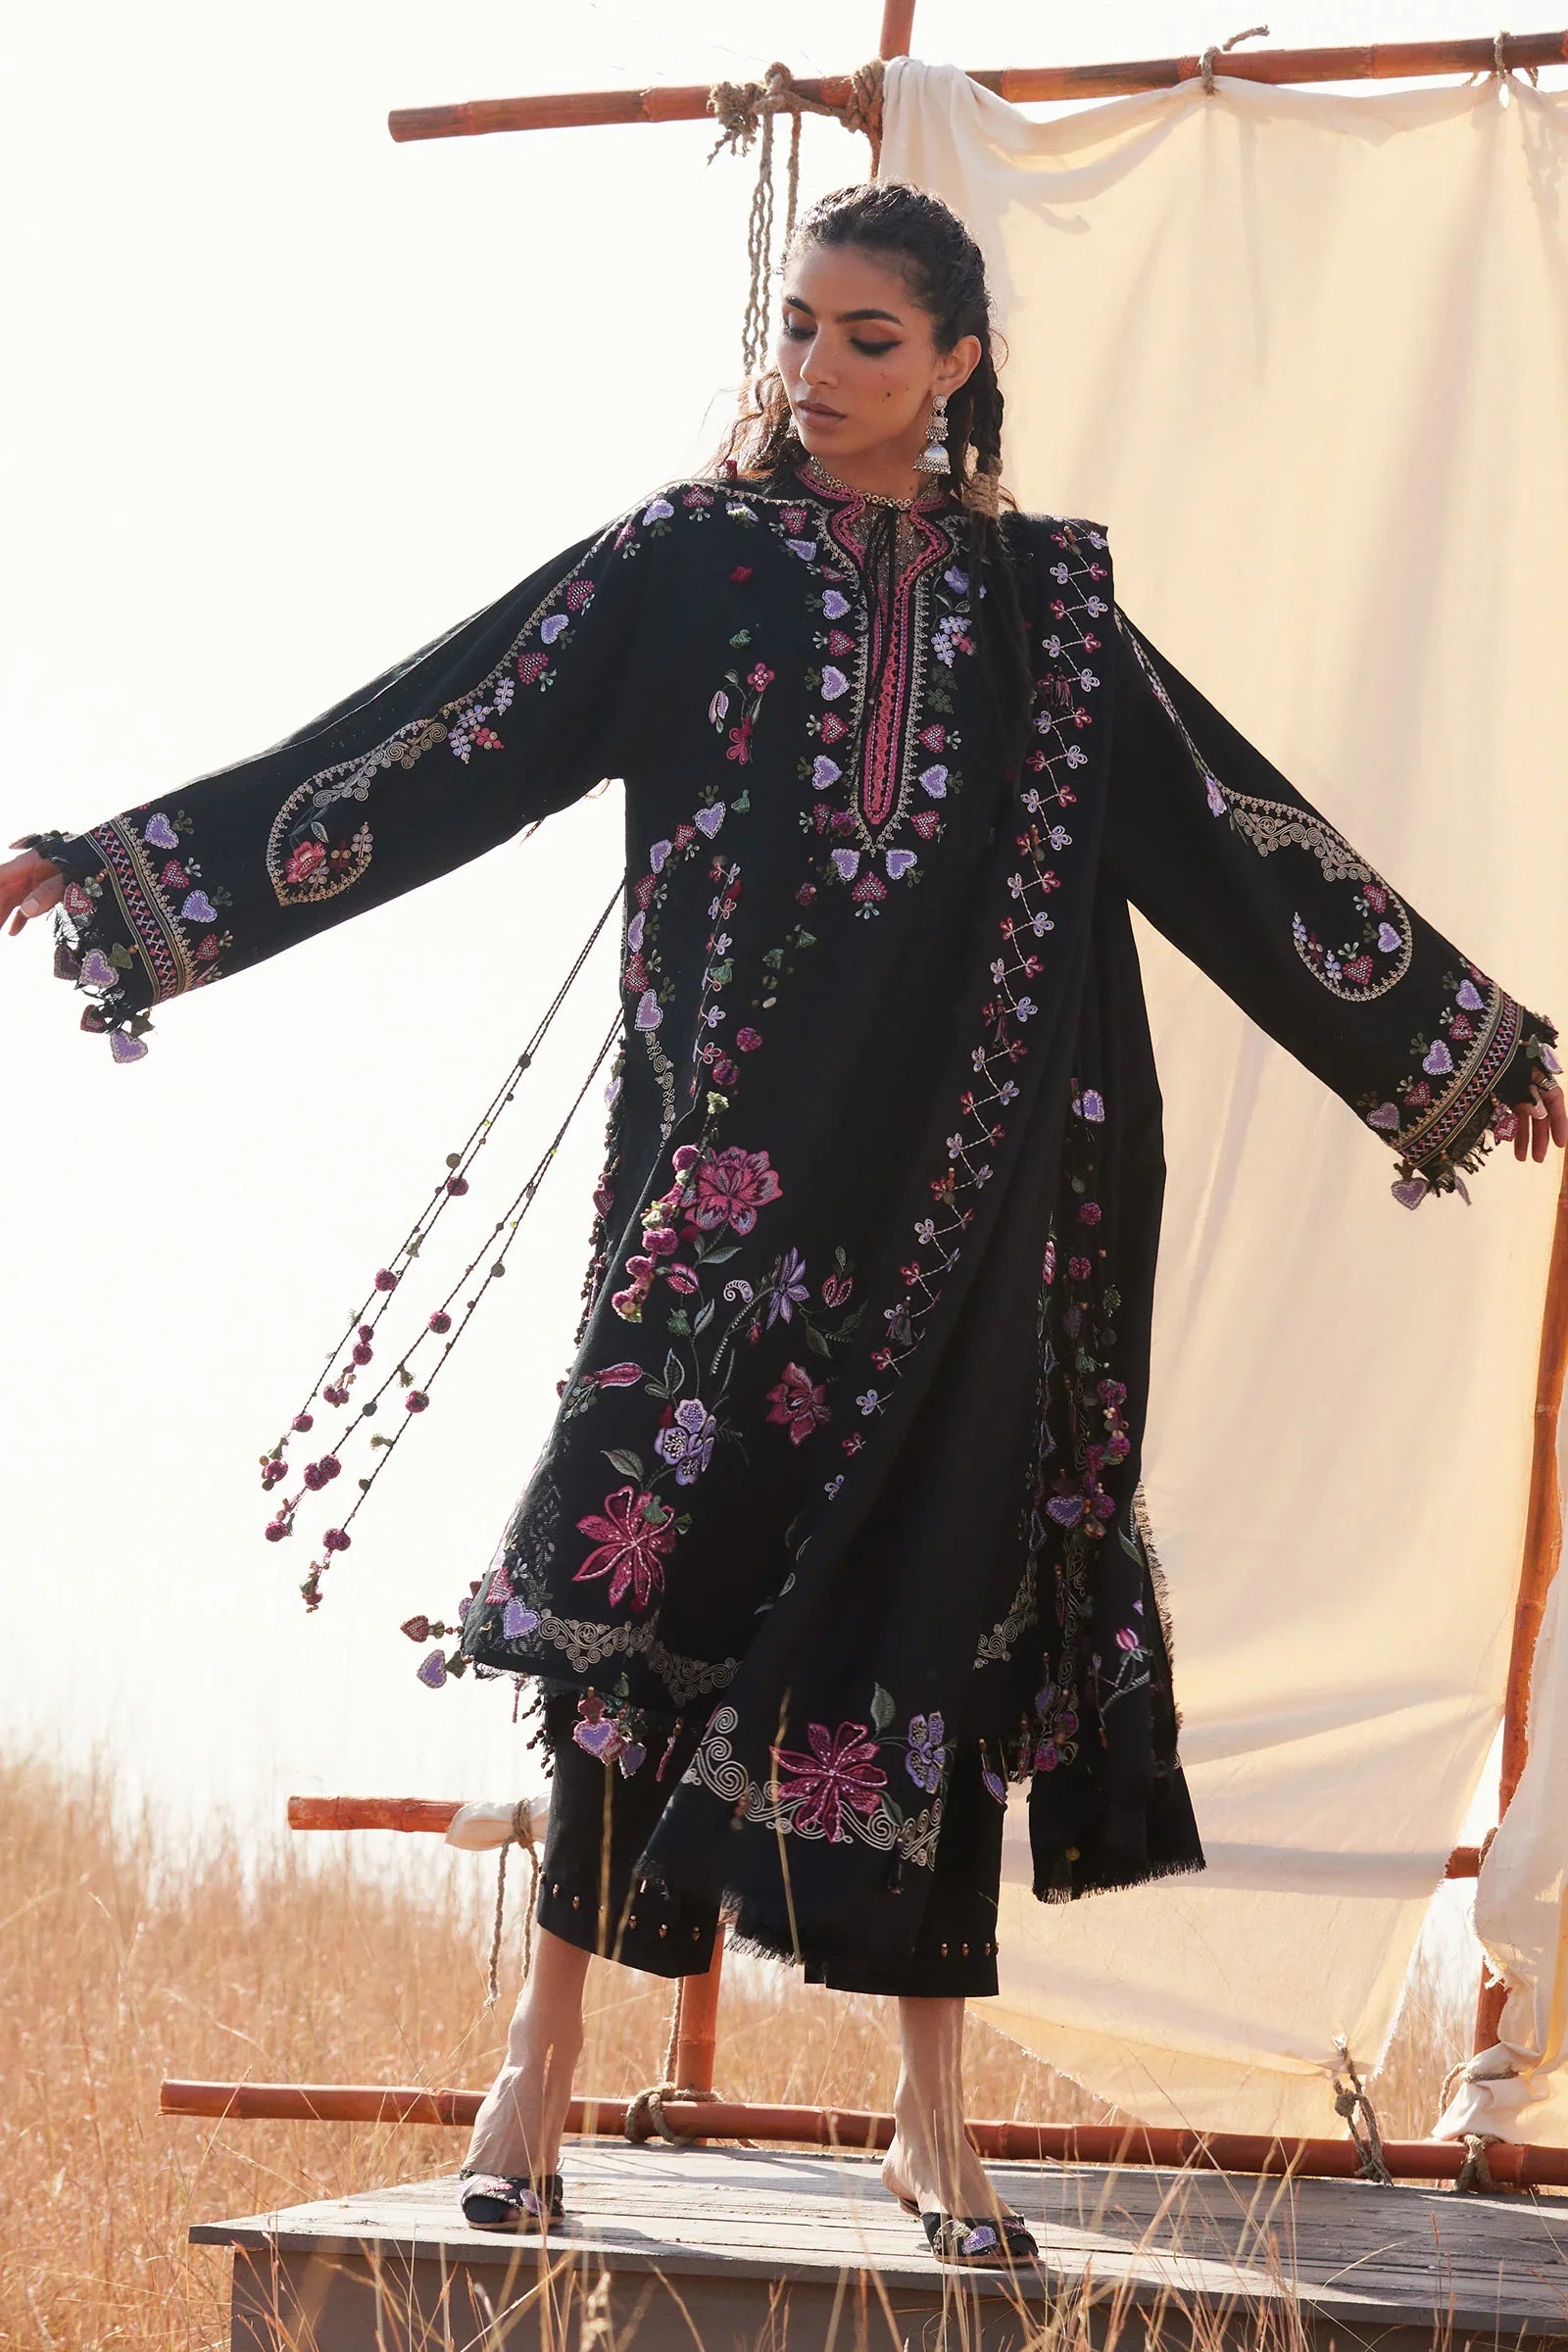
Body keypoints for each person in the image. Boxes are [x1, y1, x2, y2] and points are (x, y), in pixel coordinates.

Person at [6, 180, 1562, 2273]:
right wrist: (132, 871)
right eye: (804, 329)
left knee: (940, 1606)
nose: (816, 370)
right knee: (626, 1587)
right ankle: (539, 2062)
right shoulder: (686, 563)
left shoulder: (1048, 617)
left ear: (957, 366)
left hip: (962, 1211)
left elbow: (1226, 835)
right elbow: (442, 734)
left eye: (867, 340)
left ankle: (932, 2121)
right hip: (727, 1192)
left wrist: (1461, 1043)